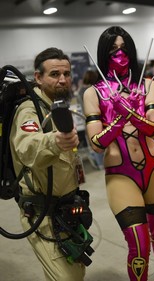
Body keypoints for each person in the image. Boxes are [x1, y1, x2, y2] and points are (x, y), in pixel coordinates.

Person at [83, 26, 154, 281]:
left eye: (123, 48)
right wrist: (120, 120)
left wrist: (133, 112)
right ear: (103, 53)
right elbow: (96, 144)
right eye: (113, 49)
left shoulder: (147, 84)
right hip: (121, 175)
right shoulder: (94, 93)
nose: (119, 54)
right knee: (139, 243)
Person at [10, 47, 87, 280]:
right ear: (38, 78)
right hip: (43, 215)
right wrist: (55, 141)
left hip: (67, 210)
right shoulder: (29, 109)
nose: (62, 79)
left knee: (74, 271)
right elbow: (26, 146)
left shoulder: (57, 105)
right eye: (54, 74)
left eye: (66, 73)